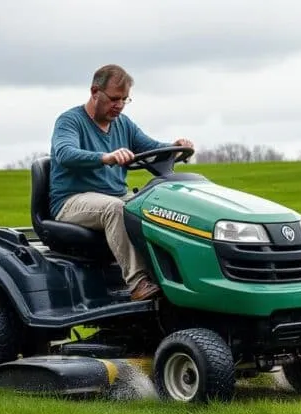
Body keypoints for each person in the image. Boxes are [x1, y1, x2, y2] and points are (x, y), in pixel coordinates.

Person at [48, 64, 194, 301]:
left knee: (156, 206)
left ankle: (173, 274)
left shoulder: (123, 124)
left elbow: (152, 148)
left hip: (115, 194)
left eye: (125, 100)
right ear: (95, 91)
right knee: (116, 209)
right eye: (115, 98)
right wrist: (105, 158)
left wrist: (177, 146)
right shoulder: (69, 121)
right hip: (72, 200)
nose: (119, 105)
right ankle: (138, 283)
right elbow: (65, 153)